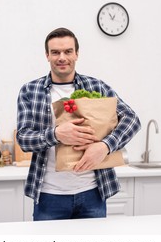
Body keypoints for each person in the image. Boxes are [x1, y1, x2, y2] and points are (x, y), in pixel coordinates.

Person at [16, 27, 141, 221]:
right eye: (55, 52)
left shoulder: (96, 86)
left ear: (77, 54)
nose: (62, 57)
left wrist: (104, 146)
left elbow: (132, 119)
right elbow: (23, 139)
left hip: (93, 192)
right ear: (47, 55)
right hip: (50, 195)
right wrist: (56, 134)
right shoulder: (30, 91)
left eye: (68, 51)